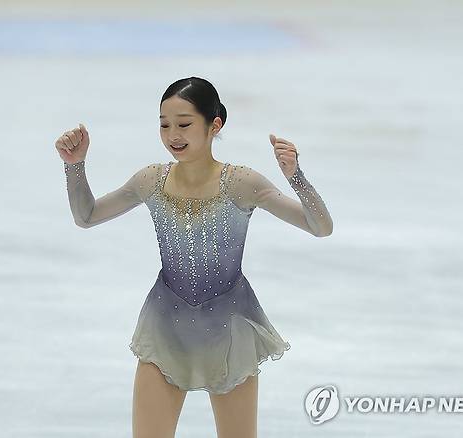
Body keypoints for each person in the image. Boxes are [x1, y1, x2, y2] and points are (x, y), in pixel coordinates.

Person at [54, 76, 332, 438]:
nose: (173, 135)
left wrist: (296, 177)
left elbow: (320, 226)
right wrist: (74, 165)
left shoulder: (241, 183)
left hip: (230, 332)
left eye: (184, 124)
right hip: (165, 327)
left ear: (214, 125)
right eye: (164, 124)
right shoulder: (151, 179)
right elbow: (86, 216)